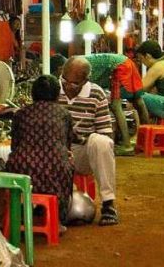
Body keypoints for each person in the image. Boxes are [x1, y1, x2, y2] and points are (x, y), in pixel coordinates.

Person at [59, 56, 119, 226]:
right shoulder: (53, 88)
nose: (68, 86)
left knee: (100, 142)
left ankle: (108, 204)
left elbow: (107, 135)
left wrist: (80, 138)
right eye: (65, 81)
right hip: (55, 153)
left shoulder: (96, 94)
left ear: (85, 80)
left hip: (81, 152)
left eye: (75, 83)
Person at [6, 75, 74, 220]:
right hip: (55, 169)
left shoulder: (21, 113)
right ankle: (57, 219)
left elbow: (14, 146)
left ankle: (20, 216)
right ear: (57, 94)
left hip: (23, 169)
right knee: (67, 163)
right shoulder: (64, 114)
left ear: (33, 93)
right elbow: (67, 146)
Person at [83, 53, 149, 153]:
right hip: (125, 61)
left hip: (118, 67)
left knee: (115, 106)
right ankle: (146, 141)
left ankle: (127, 145)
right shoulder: (78, 63)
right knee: (138, 101)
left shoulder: (76, 69)